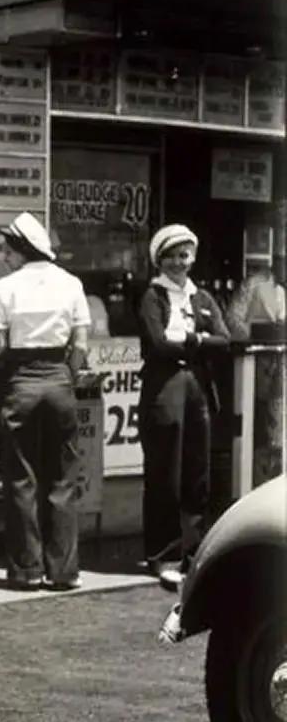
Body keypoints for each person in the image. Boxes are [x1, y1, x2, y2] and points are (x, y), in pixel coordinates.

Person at [0, 211, 91, 591]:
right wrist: (69, 374)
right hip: (60, 381)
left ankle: (26, 570)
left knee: (21, 478)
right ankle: (63, 571)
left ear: (21, 250)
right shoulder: (71, 284)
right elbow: (80, 344)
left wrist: (16, 365)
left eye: (8, 250)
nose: (5, 257)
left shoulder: (5, 288)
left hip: (21, 382)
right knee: (63, 476)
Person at [137, 224, 230, 589]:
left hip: (197, 388)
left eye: (185, 255)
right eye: (172, 256)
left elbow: (225, 339)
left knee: (196, 471)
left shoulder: (202, 297)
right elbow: (159, 343)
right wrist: (201, 341)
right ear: (160, 259)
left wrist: (190, 338)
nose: (179, 262)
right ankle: (163, 554)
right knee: (166, 471)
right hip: (164, 388)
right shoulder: (152, 296)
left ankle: (192, 552)